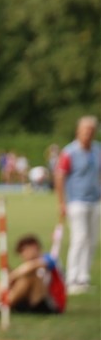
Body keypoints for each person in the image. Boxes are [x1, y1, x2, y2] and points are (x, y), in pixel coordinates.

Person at [54, 115, 100, 295]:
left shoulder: (97, 150)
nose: (88, 134)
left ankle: (83, 276)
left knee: (92, 240)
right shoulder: (69, 152)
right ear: (78, 131)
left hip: (95, 200)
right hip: (76, 201)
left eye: (91, 130)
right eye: (85, 130)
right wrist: (62, 202)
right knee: (79, 238)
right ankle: (72, 277)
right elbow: (60, 176)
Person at [0, 233, 66, 315]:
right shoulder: (27, 266)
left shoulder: (49, 258)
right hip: (31, 300)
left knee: (28, 276)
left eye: (23, 251)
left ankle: (3, 305)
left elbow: (32, 266)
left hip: (50, 303)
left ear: (34, 247)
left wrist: (13, 275)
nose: (22, 255)